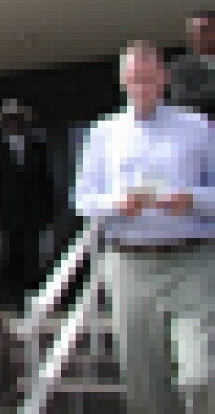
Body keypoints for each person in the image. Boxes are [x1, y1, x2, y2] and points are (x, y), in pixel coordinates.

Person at [74, 40, 215, 414]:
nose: (141, 89)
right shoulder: (103, 133)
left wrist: (192, 199)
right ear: (122, 82)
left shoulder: (197, 127)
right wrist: (117, 204)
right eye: (134, 80)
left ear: (164, 79)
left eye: (149, 80)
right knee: (146, 387)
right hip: (129, 264)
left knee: (199, 374)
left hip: (191, 260)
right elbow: (83, 200)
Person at [0, 99, 57, 308]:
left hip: (33, 210)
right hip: (7, 210)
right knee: (9, 252)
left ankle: (32, 294)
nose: (13, 122)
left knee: (32, 252)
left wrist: (49, 208)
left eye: (17, 118)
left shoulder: (37, 146)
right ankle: (10, 296)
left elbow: (45, 179)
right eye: (9, 119)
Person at [170, 8, 215, 118]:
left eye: (204, 30)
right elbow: (185, 104)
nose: (198, 35)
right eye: (193, 31)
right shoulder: (181, 69)